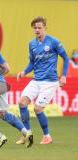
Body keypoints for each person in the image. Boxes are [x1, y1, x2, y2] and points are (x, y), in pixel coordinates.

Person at [16, 16, 69, 145]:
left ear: (45, 28)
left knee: (38, 109)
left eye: (40, 27)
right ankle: (27, 133)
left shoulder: (54, 42)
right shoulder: (32, 44)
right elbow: (32, 63)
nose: (37, 30)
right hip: (36, 80)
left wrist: (63, 75)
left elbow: (66, 58)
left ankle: (47, 136)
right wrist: (24, 72)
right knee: (22, 103)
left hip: (50, 82)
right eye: (35, 28)